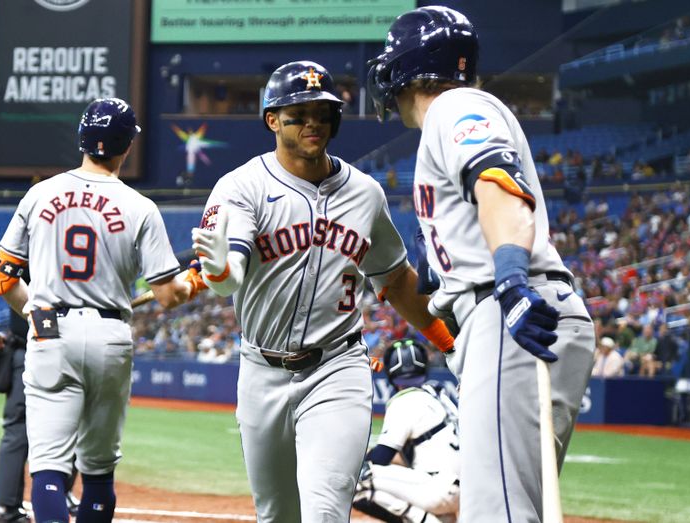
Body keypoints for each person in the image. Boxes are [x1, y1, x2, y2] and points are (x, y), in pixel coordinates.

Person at [192, 60, 456, 522]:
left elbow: (394, 281)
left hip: (338, 366)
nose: (314, 122)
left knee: (326, 510)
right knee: (277, 514)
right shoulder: (241, 187)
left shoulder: (365, 193)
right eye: (299, 113)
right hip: (262, 370)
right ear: (272, 120)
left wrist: (453, 344)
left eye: (323, 112)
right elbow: (229, 277)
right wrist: (217, 269)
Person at [368, 7, 596, 522]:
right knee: (509, 505)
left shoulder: (456, 107)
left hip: (509, 309)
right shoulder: (455, 117)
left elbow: (496, 181)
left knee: (495, 512)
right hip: (519, 310)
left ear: (406, 68)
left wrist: (512, 280)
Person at [0, 97, 205, 522]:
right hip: (109, 335)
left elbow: (2, 280)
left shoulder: (40, 194)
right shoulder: (141, 207)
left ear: (82, 139)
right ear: (127, 145)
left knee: (49, 468)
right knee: (99, 471)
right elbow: (167, 295)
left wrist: (37, 311)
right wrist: (196, 279)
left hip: (51, 329)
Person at [0, 268, 80, 522]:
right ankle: (58, 494)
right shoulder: (62, 246)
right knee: (72, 423)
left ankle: (8, 507)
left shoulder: (25, 246)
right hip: (69, 349)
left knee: (18, 430)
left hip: (29, 349)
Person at [353, 339, 460, 523]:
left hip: (438, 488)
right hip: (461, 490)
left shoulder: (405, 400)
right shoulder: (439, 395)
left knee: (355, 478)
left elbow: (382, 457)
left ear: (390, 373)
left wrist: (363, 460)